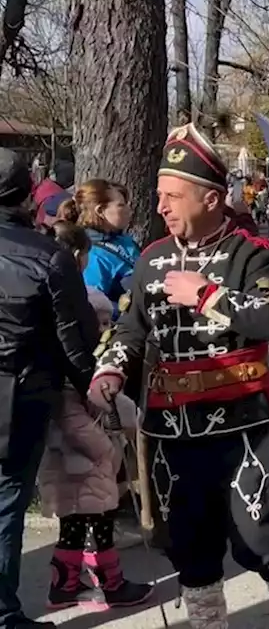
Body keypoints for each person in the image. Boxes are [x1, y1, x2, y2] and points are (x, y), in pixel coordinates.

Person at [86, 125, 269, 628]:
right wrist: (111, 370)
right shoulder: (151, 259)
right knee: (190, 547)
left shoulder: (252, 251)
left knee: (263, 540)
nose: (162, 207)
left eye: (173, 197)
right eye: (158, 197)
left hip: (242, 429)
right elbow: (131, 329)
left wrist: (207, 296)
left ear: (211, 199)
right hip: (171, 432)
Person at [0, 149, 99, 629]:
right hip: (19, 394)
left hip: (20, 389)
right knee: (6, 501)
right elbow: (75, 339)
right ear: (26, 193)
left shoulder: (47, 254)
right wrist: (93, 387)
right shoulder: (48, 255)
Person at [40, 221, 151, 611]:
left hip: (78, 445)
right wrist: (105, 448)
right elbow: (74, 408)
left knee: (78, 521)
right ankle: (110, 582)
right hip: (82, 444)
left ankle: (66, 581)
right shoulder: (69, 318)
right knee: (96, 517)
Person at [59, 180, 140, 317]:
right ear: (100, 211)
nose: (128, 210)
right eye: (121, 205)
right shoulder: (91, 253)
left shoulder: (124, 240)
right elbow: (94, 304)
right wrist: (129, 312)